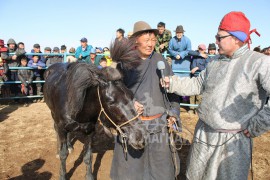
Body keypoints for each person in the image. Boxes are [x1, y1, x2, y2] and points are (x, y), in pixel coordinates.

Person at [161, 11, 266, 180]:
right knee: (195, 176)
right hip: (203, 132)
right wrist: (171, 82)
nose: (216, 41)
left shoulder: (259, 62)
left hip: (234, 140)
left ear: (236, 38)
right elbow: (196, 84)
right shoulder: (214, 61)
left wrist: (257, 125)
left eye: (220, 37)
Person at [110, 21, 181, 180]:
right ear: (136, 40)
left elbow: (173, 92)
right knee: (131, 173)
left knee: (161, 172)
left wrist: (174, 113)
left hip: (158, 127)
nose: (151, 44)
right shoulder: (124, 63)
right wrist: (129, 103)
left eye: (153, 40)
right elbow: (114, 94)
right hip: (133, 126)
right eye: (147, 40)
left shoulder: (160, 61)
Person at [168, 25, 192, 106]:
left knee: (185, 82)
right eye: (177, 33)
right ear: (176, 33)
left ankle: (186, 103)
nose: (179, 34)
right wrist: (176, 55)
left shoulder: (187, 40)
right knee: (175, 81)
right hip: (175, 62)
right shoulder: (172, 40)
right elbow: (170, 49)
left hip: (185, 62)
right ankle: (175, 102)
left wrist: (181, 55)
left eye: (180, 33)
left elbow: (188, 50)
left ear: (182, 33)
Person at [188, 44, 209, 114]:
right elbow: (189, 52)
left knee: (199, 94)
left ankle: (197, 109)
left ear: (205, 50)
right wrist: (199, 54)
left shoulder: (207, 57)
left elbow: (206, 67)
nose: (201, 50)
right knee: (192, 93)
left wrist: (197, 68)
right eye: (200, 48)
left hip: (201, 77)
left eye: (202, 49)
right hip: (193, 76)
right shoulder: (195, 54)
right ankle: (191, 108)